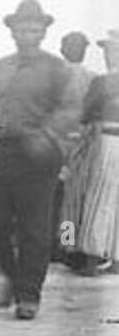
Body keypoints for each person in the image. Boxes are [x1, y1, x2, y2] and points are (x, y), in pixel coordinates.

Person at [0, 0, 73, 319]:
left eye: (33, 28)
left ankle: (29, 295)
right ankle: (15, 278)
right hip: (4, 150)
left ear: (43, 32)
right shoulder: (0, 67)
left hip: (39, 155)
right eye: (21, 28)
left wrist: (47, 136)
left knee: (34, 228)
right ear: (12, 31)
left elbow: (70, 108)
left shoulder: (56, 68)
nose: (26, 34)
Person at [60, 28, 119, 275]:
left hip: (80, 143)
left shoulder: (58, 77)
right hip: (90, 142)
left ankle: (67, 248)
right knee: (99, 202)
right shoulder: (92, 77)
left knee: (69, 205)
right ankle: (93, 252)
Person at [56, 30, 97, 267]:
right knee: (73, 200)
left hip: (75, 142)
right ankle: (69, 245)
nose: (77, 50)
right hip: (74, 143)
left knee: (69, 200)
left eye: (79, 46)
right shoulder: (88, 78)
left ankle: (68, 245)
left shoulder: (90, 78)